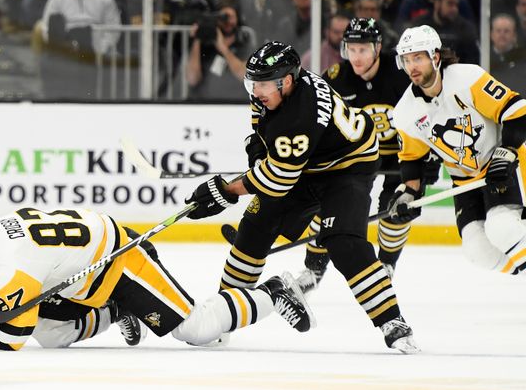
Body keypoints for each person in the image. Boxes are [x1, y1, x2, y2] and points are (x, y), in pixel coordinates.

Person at [183, 40, 420, 353]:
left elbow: (278, 181)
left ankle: (392, 321)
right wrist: (258, 149)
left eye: (263, 84)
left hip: (348, 167)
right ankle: (223, 318)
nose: (256, 91)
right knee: (253, 229)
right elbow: (265, 133)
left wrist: (227, 191)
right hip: (308, 162)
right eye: (253, 83)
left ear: (287, 81)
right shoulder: (275, 92)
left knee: (344, 243)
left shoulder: (298, 115)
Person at [0, 207, 314, 351]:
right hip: (84, 274)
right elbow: (4, 307)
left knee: (196, 330)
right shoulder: (1, 240)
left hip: (121, 262)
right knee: (51, 334)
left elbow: (11, 338)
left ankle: (275, 291)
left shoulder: (11, 265)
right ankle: (114, 312)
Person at [295, 18, 431, 294]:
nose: (356, 57)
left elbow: (428, 112)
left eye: (363, 50)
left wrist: (429, 158)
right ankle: (314, 269)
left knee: (397, 209)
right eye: (352, 49)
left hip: (403, 154)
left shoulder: (401, 74)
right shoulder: (335, 78)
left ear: (378, 48)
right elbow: (316, 120)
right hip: (357, 155)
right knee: (328, 207)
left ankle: (386, 265)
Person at [390, 25, 526, 276]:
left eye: (417, 58)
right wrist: (409, 192)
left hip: (502, 163)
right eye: (406, 60)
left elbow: (517, 110)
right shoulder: (405, 113)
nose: (412, 67)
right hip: (465, 181)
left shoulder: (468, 78)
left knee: (502, 228)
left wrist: (506, 151)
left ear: (435, 56)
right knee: (477, 249)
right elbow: (411, 158)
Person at [186, 5, 257, 100]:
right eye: (223, 17)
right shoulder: (205, 45)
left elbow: (245, 75)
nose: (227, 22)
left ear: (238, 20)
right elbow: (192, 79)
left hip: (236, 102)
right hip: (204, 102)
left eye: (231, 17)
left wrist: (222, 48)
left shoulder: (243, 42)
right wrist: (198, 38)